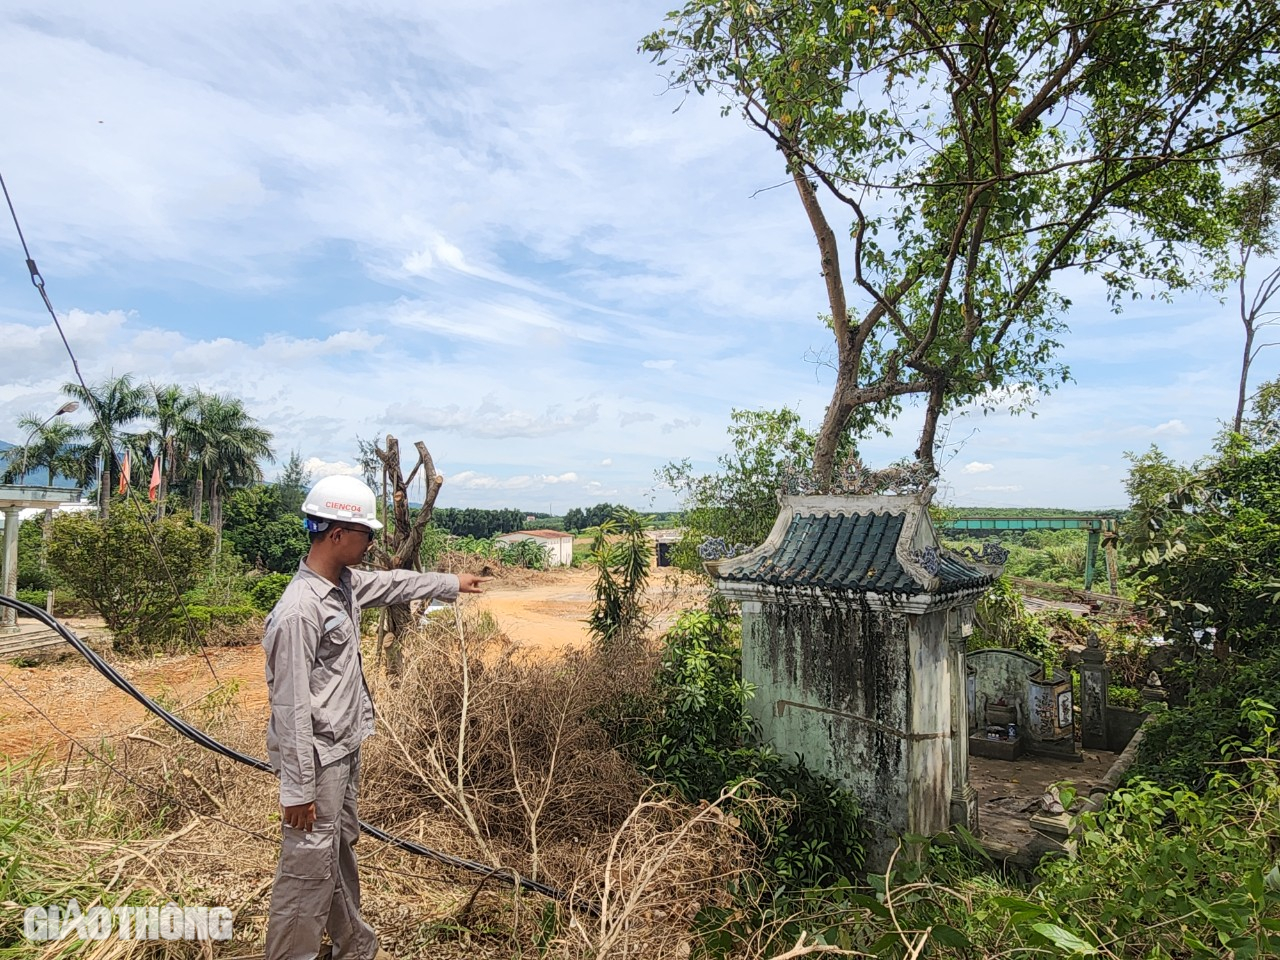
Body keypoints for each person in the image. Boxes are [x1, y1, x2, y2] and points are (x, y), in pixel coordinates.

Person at [262, 475, 489, 960]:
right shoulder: (300, 611)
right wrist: (298, 790)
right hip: (317, 762)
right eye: (366, 533)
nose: (371, 542)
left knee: (336, 853)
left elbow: (393, 584)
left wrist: (451, 583)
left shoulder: (342, 586)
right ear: (336, 534)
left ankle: (354, 946)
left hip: (342, 752)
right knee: (306, 870)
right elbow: (292, 709)